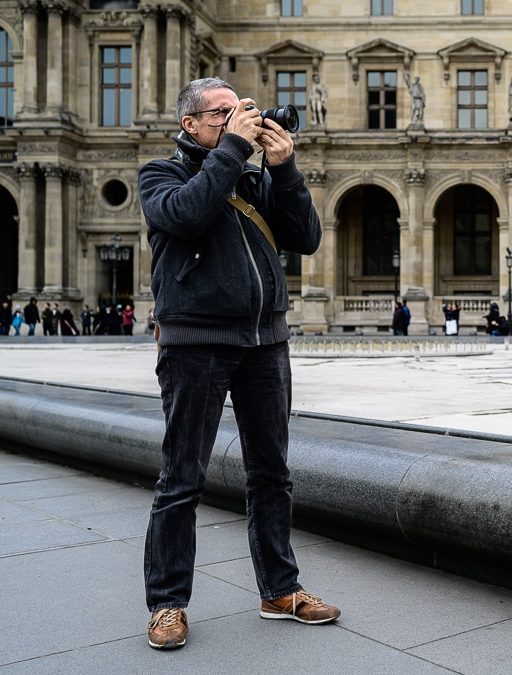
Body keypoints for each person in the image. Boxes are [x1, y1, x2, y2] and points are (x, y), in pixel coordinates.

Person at [137, 77, 338, 650]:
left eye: (240, 109)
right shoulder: (162, 174)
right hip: (196, 342)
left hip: (264, 340)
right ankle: (167, 603)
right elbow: (186, 215)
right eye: (223, 113)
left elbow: (306, 238)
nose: (237, 118)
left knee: (272, 474)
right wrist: (233, 151)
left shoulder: (252, 175)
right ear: (191, 125)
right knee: (181, 480)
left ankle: (280, 589)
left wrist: (285, 170)